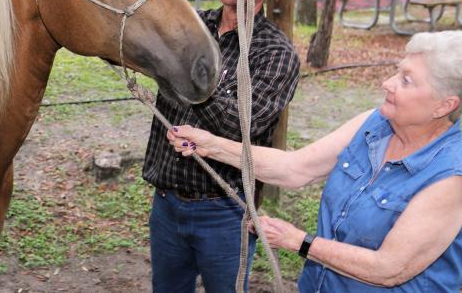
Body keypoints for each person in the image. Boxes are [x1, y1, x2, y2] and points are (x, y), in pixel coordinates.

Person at [168, 31, 462, 292]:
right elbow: (294, 168)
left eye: (406, 81)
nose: (387, 83)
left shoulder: (452, 176)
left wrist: (299, 241)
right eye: (396, 73)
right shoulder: (373, 124)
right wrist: (212, 145)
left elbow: (387, 268)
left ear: (444, 105)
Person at [143, 0, 317, 292]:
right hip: (166, 204)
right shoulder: (192, 26)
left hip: (224, 211)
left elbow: (242, 126)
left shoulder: (276, 54)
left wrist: (191, 73)